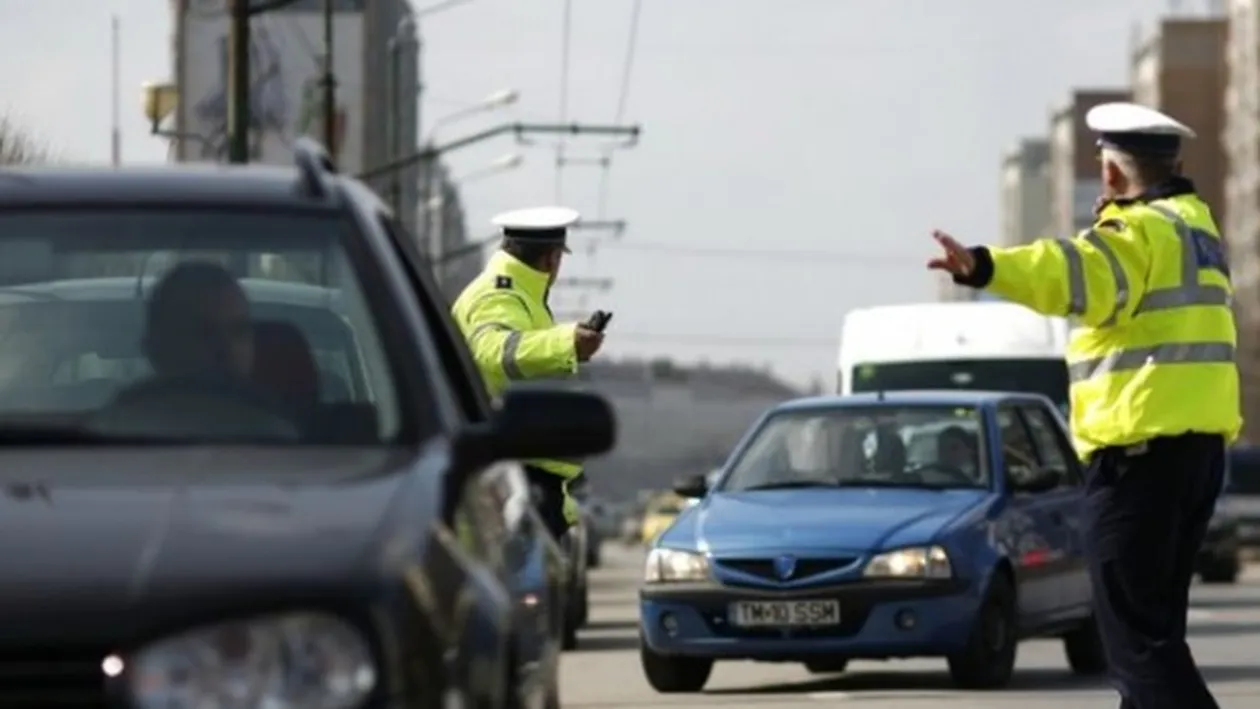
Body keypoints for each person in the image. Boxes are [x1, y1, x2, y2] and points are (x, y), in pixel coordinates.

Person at [928, 102, 1240, 709]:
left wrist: (986, 266)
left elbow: (1069, 272)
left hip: (1138, 462)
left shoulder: (1133, 233)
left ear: (1113, 173)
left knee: (1138, 647)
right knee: (1153, 635)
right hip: (1196, 456)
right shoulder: (1195, 228)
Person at [450, 206, 605, 541]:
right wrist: (566, 343)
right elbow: (492, 351)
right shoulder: (499, 295)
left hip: (525, 481)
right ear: (552, 259)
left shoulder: (521, 297)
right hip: (514, 482)